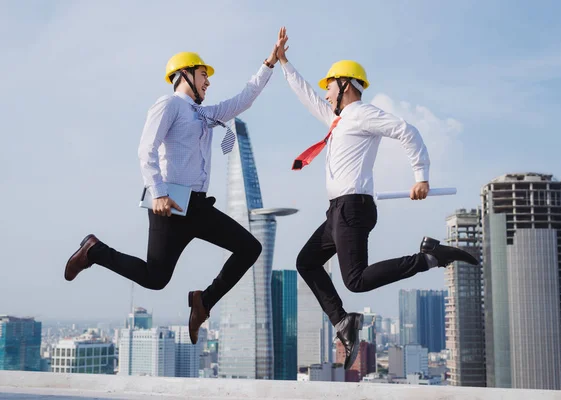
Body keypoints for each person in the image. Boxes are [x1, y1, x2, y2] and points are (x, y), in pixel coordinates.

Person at [275, 27, 478, 369]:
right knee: (306, 262)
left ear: (345, 85)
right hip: (337, 211)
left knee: (355, 280)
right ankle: (342, 322)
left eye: (330, 86)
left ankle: (430, 258)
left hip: (352, 208)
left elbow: (406, 131)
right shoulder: (339, 121)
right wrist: (284, 63)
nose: (325, 93)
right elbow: (308, 96)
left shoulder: (362, 114)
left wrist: (421, 176)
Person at [64, 44, 281, 345]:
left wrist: (269, 63)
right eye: (204, 74)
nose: (208, 81)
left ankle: (203, 302)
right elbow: (146, 149)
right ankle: (93, 251)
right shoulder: (168, 105)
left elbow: (245, 98)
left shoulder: (206, 114)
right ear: (185, 75)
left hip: (199, 207)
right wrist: (158, 193)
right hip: (171, 205)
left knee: (249, 248)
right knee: (156, 279)